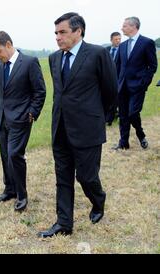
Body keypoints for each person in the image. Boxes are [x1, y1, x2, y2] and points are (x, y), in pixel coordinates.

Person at [38, 13, 117, 238]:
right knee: (62, 177)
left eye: (62, 32)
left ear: (78, 31)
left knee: (86, 176)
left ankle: (98, 200)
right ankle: (64, 223)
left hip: (87, 130)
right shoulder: (54, 58)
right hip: (60, 128)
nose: (57, 37)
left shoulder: (97, 54)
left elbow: (110, 90)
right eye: (56, 33)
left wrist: (95, 117)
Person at [0, 31, 46, 212]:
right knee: (6, 156)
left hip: (22, 119)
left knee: (15, 154)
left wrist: (32, 113)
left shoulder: (30, 62)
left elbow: (40, 91)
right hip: (2, 119)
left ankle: (22, 196)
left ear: (8, 44)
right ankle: (9, 190)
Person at [113, 17, 158, 150]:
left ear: (133, 26)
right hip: (122, 87)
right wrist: (116, 84)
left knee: (133, 113)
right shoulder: (122, 46)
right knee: (123, 115)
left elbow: (153, 66)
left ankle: (141, 135)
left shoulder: (147, 43)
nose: (122, 29)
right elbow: (117, 67)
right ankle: (123, 143)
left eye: (125, 26)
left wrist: (144, 83)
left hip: (138, 86)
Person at [105, 32, 122, 126]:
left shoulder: (123, 50)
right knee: (107, 98)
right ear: (111, 40)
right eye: (116, 39)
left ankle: (110, 120)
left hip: (119, 79)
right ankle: (109, 116)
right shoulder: (105, 50)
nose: (118, 41)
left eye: (119, 39)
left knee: (116, 99)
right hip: (106, 79)